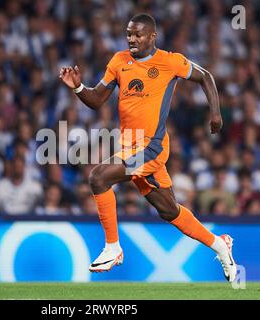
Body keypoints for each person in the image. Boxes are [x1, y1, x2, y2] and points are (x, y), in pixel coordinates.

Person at [59, 13, 237, 282]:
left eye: (138, 35)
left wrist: (215, 113)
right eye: (129, 34)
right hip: (128, 148)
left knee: (98, 177)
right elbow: (96, 99)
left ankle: (113, 247)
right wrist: (78, 88)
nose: (132, 39)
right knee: (169, 210)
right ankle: (220, 245)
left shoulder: (170, 61)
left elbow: (206, 76)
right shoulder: (119, 61)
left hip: (151, 148)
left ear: (152, 36)